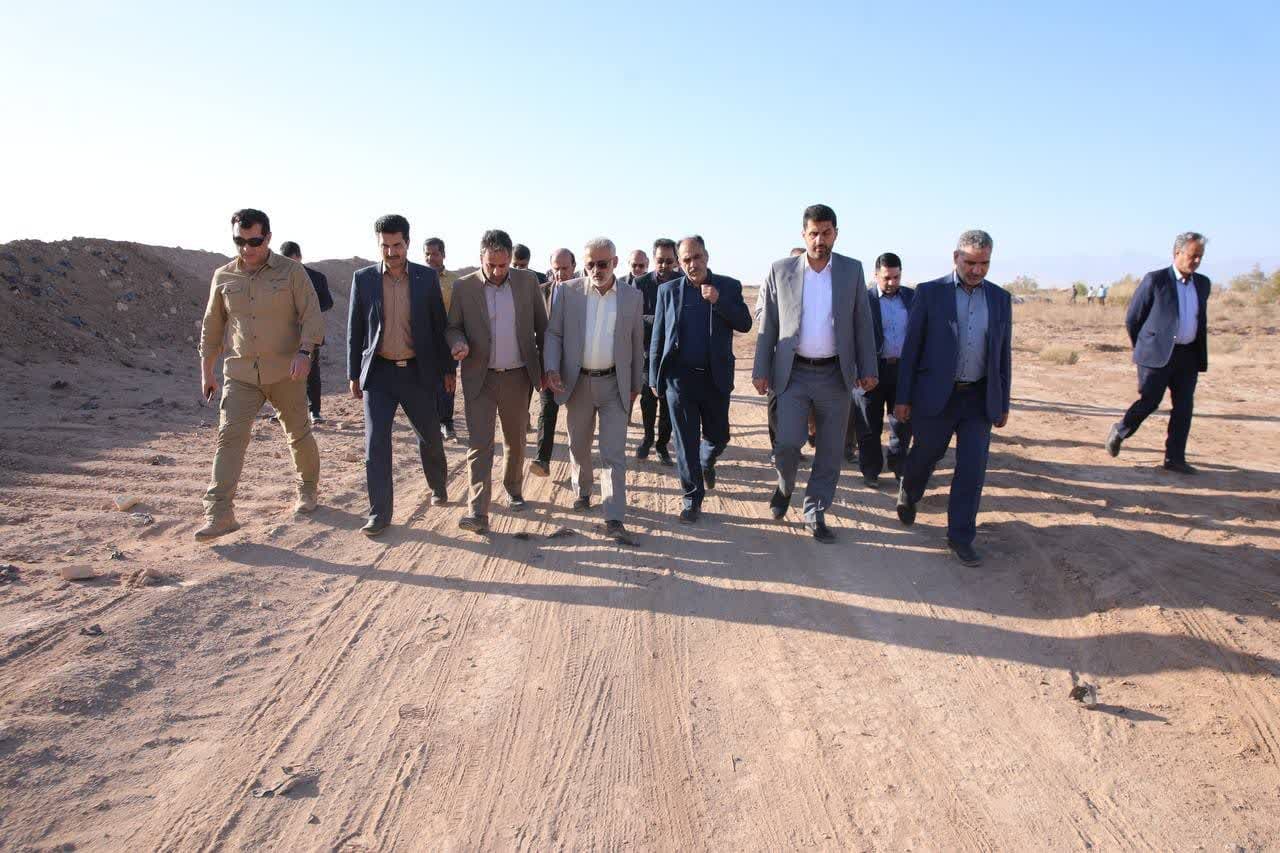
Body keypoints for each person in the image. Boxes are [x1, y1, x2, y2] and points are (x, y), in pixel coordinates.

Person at [753, 205, 878, 542]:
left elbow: (862, 322)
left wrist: (868, 368)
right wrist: (761, 369)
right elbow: (769, 324)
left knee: (830, 450)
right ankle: (784, 485)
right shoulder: (781, 270)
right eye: (813, 234)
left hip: (835, 375)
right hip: (793, 374)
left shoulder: (851, 270)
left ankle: (815, 511)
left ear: (836, 233)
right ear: (803, 234)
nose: (819, 240)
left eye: (826, 233)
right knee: (787, 443)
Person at [196, 208, 323, 540]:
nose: (246, 248)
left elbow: (312, 315)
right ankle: (219, 514)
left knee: (298, 433)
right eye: (239, 241)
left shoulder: (292, 272)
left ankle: (307, 489)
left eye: (254, 241)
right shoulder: (223, 277)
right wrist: (207, 372)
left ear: (268, 238)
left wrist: (305, 352)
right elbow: (212, 328)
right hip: (240, 374)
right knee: (229, 438)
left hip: (286, 372)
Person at [894, 230, 1013, 567]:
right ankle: (910, 490)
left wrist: (1003, 401)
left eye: (984, 263)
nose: (977, 270)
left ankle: (960, 537)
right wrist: (903, 398)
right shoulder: (931, 293)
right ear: (956, 257)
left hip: (978, 398)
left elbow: (1003, 355)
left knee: (972, 468)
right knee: (926, 454)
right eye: (970, 262)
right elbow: (911, 349)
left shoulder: (1000, 299)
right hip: (936, 396)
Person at [347, 215, 454, 537]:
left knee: (430, 437)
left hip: (417, 373)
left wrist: (448, 369)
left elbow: (439, 327)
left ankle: (438, 485)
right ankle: (379, 513)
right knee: (375, 444)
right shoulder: (363, 279)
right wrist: (354, 373)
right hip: (379, 375)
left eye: (397, 245)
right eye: (385, 246)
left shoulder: (425, 278)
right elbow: (355, 329)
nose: (391, 252)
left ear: (407, 243)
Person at [544, 238, 645, 543]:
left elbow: (636, 344)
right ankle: (583, 490)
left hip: (614, 384)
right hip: (578, 383)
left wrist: (635, 385)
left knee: (613, 452)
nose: (596, 270)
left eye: (603, 264)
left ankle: (614, 516)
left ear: (615, 262)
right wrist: (552, 368)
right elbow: (554, 333)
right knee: (579, 445)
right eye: (590, 264)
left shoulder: (632, 297)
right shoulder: (567, 292)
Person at [446, 229, 547, 533]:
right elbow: (453, 327)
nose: (497, 271)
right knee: (479, 444)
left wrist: (547, 368)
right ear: (481, 257)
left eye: (503, 265)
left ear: (510, 259)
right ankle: (478, 511)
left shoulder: (527, 282)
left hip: (517, 377)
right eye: (491, 265)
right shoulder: (463, 287)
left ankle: (513, 489)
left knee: (515, 440)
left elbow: (543, 328)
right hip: (480, 377)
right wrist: (458, 342)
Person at [650, 235, 752, 523]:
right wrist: (654, 376)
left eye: (697, 257)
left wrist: (719, 301)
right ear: (679, 263)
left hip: (715, 377)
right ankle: (692, 498)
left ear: (706, 256)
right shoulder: (668, 291)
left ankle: (708, 460)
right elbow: (659, 334)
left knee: (719, 436)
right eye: (686, 260)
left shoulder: (728, 286)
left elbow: (745, 324)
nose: (692, 264)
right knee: (685, 443)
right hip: (679, 380)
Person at [1105, 232, 1211, 475]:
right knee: (1150, 401)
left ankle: (1174, 458)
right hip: (1157, 354)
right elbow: (1133, 318)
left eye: (1200, 257)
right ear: (1177, 253)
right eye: (1193, 255)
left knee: (1184, 407)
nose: (1196, 261)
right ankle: (1121, 430)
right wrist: (1145, 347)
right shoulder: (1156, 280)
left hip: (1188, 355)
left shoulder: (1203, 284)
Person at [854, 252, 914, 486]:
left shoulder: (912, 298)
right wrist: (858, 371)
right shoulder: (862, 299)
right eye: (886, 277)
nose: (892, 282)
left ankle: (899, 467)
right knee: (869, 425)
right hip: (871, 370)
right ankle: (871, 471)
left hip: (903, 370)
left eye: (896, 277)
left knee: (902, 423)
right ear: (875, 275)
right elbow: (850, 337)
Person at [530, 248, 577, 477]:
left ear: (574, 267)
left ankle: (580, 465)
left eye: (565, 268)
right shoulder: (540, 293)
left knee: (578, 416)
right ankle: (542, 459)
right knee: (547, 409)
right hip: (548, 363)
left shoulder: (585, 294)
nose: (560, 273)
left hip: (577, 364)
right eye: (556, 269)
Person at [630, 238, 677, 465]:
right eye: (660, 261)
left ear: (676, 261)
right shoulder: (640, 284)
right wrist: (663, 320)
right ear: (653, 260)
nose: (664, 265)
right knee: (648, 401)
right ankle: (647, 438)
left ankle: (662, 445)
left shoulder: (683, 282)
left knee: (669, 403)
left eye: (669, 261)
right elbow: (633, 317)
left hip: (674, 356)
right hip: (647, 353)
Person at [279, 241, 334, 423]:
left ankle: (314, 411)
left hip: (309, 332)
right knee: (282, 373)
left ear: (299, 257)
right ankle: (283, 410)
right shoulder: (277, 279)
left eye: (292, 261)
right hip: (284, 333)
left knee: (311, 373)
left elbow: (328, 302)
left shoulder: (316, 277)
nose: (289, 266)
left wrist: (309, 309)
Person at [424, 237, 460, 442]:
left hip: (448, 338)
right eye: (427, 254)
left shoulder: (455, 281)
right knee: (426, 381)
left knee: (447, 380)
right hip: (423, 339)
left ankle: (447, 422)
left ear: (443, 255)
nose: (431, 258)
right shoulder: (416, 278)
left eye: (435, 254)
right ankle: (430, 422)